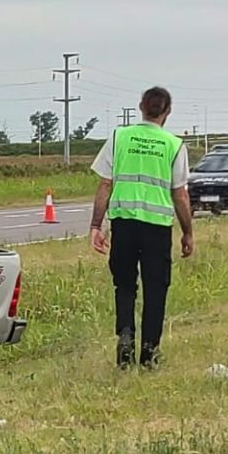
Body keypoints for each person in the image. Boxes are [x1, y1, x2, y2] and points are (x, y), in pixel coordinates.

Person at [89, 87, 193, 368]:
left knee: (124, 285)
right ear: (167, 112)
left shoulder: (119, 137)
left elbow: (105, 184)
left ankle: (125, 335)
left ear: (141, 107)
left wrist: (96, 226)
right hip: (157, 228)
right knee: (156, 288)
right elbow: (180, 194)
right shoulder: (174, 145)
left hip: (123, 225)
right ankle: (149, 351)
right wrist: (188, 232)